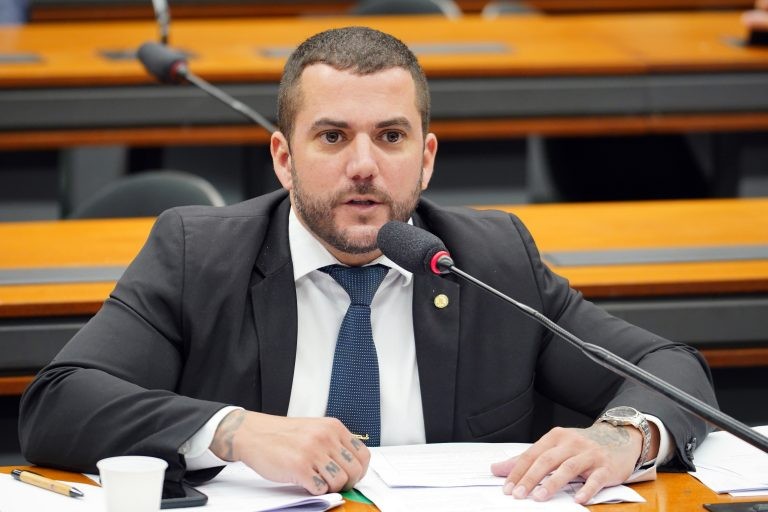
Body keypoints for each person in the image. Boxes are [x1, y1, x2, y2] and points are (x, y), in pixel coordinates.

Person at [19, 26, 717, 505]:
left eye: (390, 137)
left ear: (427, 157)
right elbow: (61, 402)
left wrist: (626, 435)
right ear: (284, 159)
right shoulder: (198, 255)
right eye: (332, 137)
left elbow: (674, 370)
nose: (363, 166)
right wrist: (234, 430)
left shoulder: (491, 261)